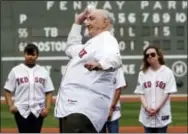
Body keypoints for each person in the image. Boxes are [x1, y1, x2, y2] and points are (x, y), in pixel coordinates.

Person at [54, 8, 122, 133]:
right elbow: (70, 49)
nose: (87, 22)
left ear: (105, 22)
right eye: (86, 19)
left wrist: (100, 65)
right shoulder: (92, 44)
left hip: (82, 110)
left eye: (92, 19)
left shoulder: (107, 40)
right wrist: (77, 23)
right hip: (76, 109)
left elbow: (115, 59)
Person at [4, 44, 54, 133]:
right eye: (28, 54)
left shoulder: (43, 71)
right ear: (24, 54)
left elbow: (49, 91)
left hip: (38, 110)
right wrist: (11, 105)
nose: (30, 57)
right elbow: (7, 90)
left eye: (33, 54)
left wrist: (47, 108)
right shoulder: (15, 70)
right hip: (21, 110)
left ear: (37, 56)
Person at [134, 45, 177, 133]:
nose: (150, 56)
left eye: (152, 54)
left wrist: (156, 108)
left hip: (162, 113)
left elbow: (167, 93)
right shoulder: (142, 73)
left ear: (158, 56)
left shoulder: (167, 72)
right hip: (147, 114)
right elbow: (141, 93)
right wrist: (147, 108)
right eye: (147, 55)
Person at [100, 68, 127, 133]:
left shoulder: (117, 68)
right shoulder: (96, 66)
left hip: (114, 112)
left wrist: (111, 109)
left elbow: (119, 89)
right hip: (99, 111)